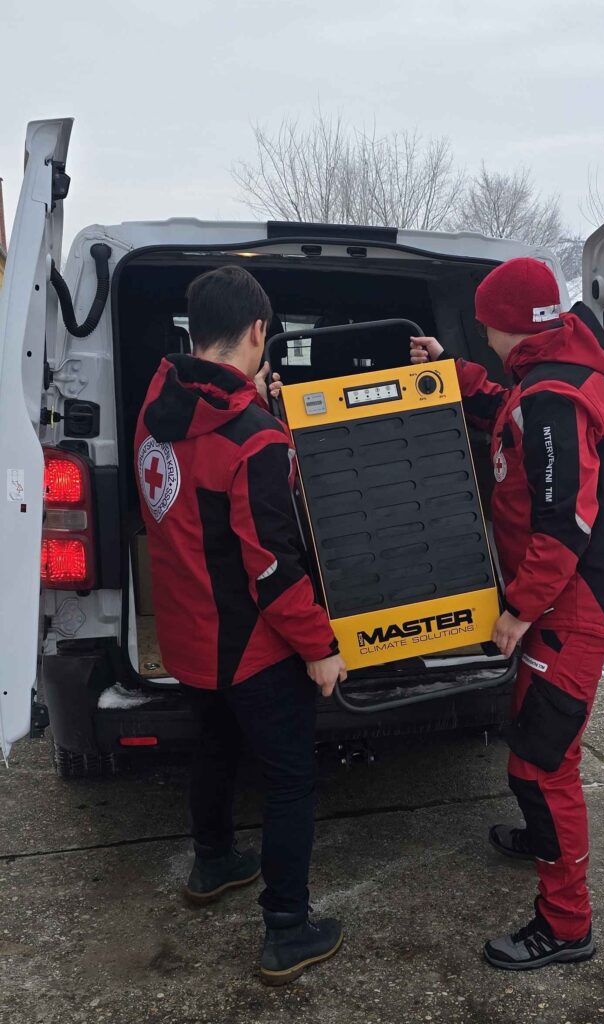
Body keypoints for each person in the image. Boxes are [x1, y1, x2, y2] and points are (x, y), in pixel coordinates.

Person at [410, 257, 604, 971]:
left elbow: (564, 525)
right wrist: (449, 371)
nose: (480, 331)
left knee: (542, 767)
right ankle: (542, 837)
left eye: (484, 321)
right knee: (531, 745)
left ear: (507, 323)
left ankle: (566, 925)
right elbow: (503, 409)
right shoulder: (545, 378)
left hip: (574, 606)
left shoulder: (555, 398)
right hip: (559, 599)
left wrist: (516, 611)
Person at [134, 264, 347, 985]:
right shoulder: (255, 440)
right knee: (290, 780)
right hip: (251, 648)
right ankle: (287, 931)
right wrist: (319, 648)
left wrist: (252, 402)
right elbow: (274, 569)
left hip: (189, 638)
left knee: (215, 747)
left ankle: (213, 861)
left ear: (193, 333)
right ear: (260, 331)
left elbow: (201, 466)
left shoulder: (156, 406)